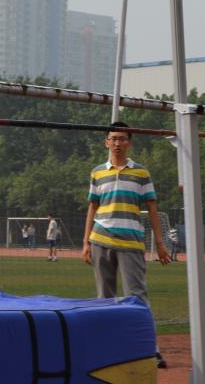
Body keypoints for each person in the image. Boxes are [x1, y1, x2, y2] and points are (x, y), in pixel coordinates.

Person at [82, 122, 171, 368]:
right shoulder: (97, 172)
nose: (117, 143)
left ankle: (150, 348)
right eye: (113, 138)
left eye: (122, 139)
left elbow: (152, 206)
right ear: (106, 142)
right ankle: (107, 347)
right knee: (104, 298)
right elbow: (92, 207)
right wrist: (85, 242)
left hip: (131, 241)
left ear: (129, 142)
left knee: (137, 296)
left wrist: (160, 242)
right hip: (100, 239)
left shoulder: (141, 173)